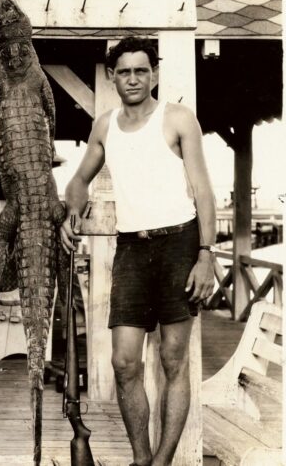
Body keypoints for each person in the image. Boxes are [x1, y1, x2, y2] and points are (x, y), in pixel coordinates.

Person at [60, 36, 216, 466]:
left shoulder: (179, 119)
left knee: (172, 359)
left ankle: (161, 463)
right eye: (124, 71)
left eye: (141, 70)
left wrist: (206, 254)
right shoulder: (104, 125)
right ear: (112, 78)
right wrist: (72, 212)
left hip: (180, 244)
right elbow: (78, 182)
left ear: (155, 74)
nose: (133, 78)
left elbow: (203, 192)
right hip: (131, 249)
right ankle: (141, 459)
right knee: (125, 362)